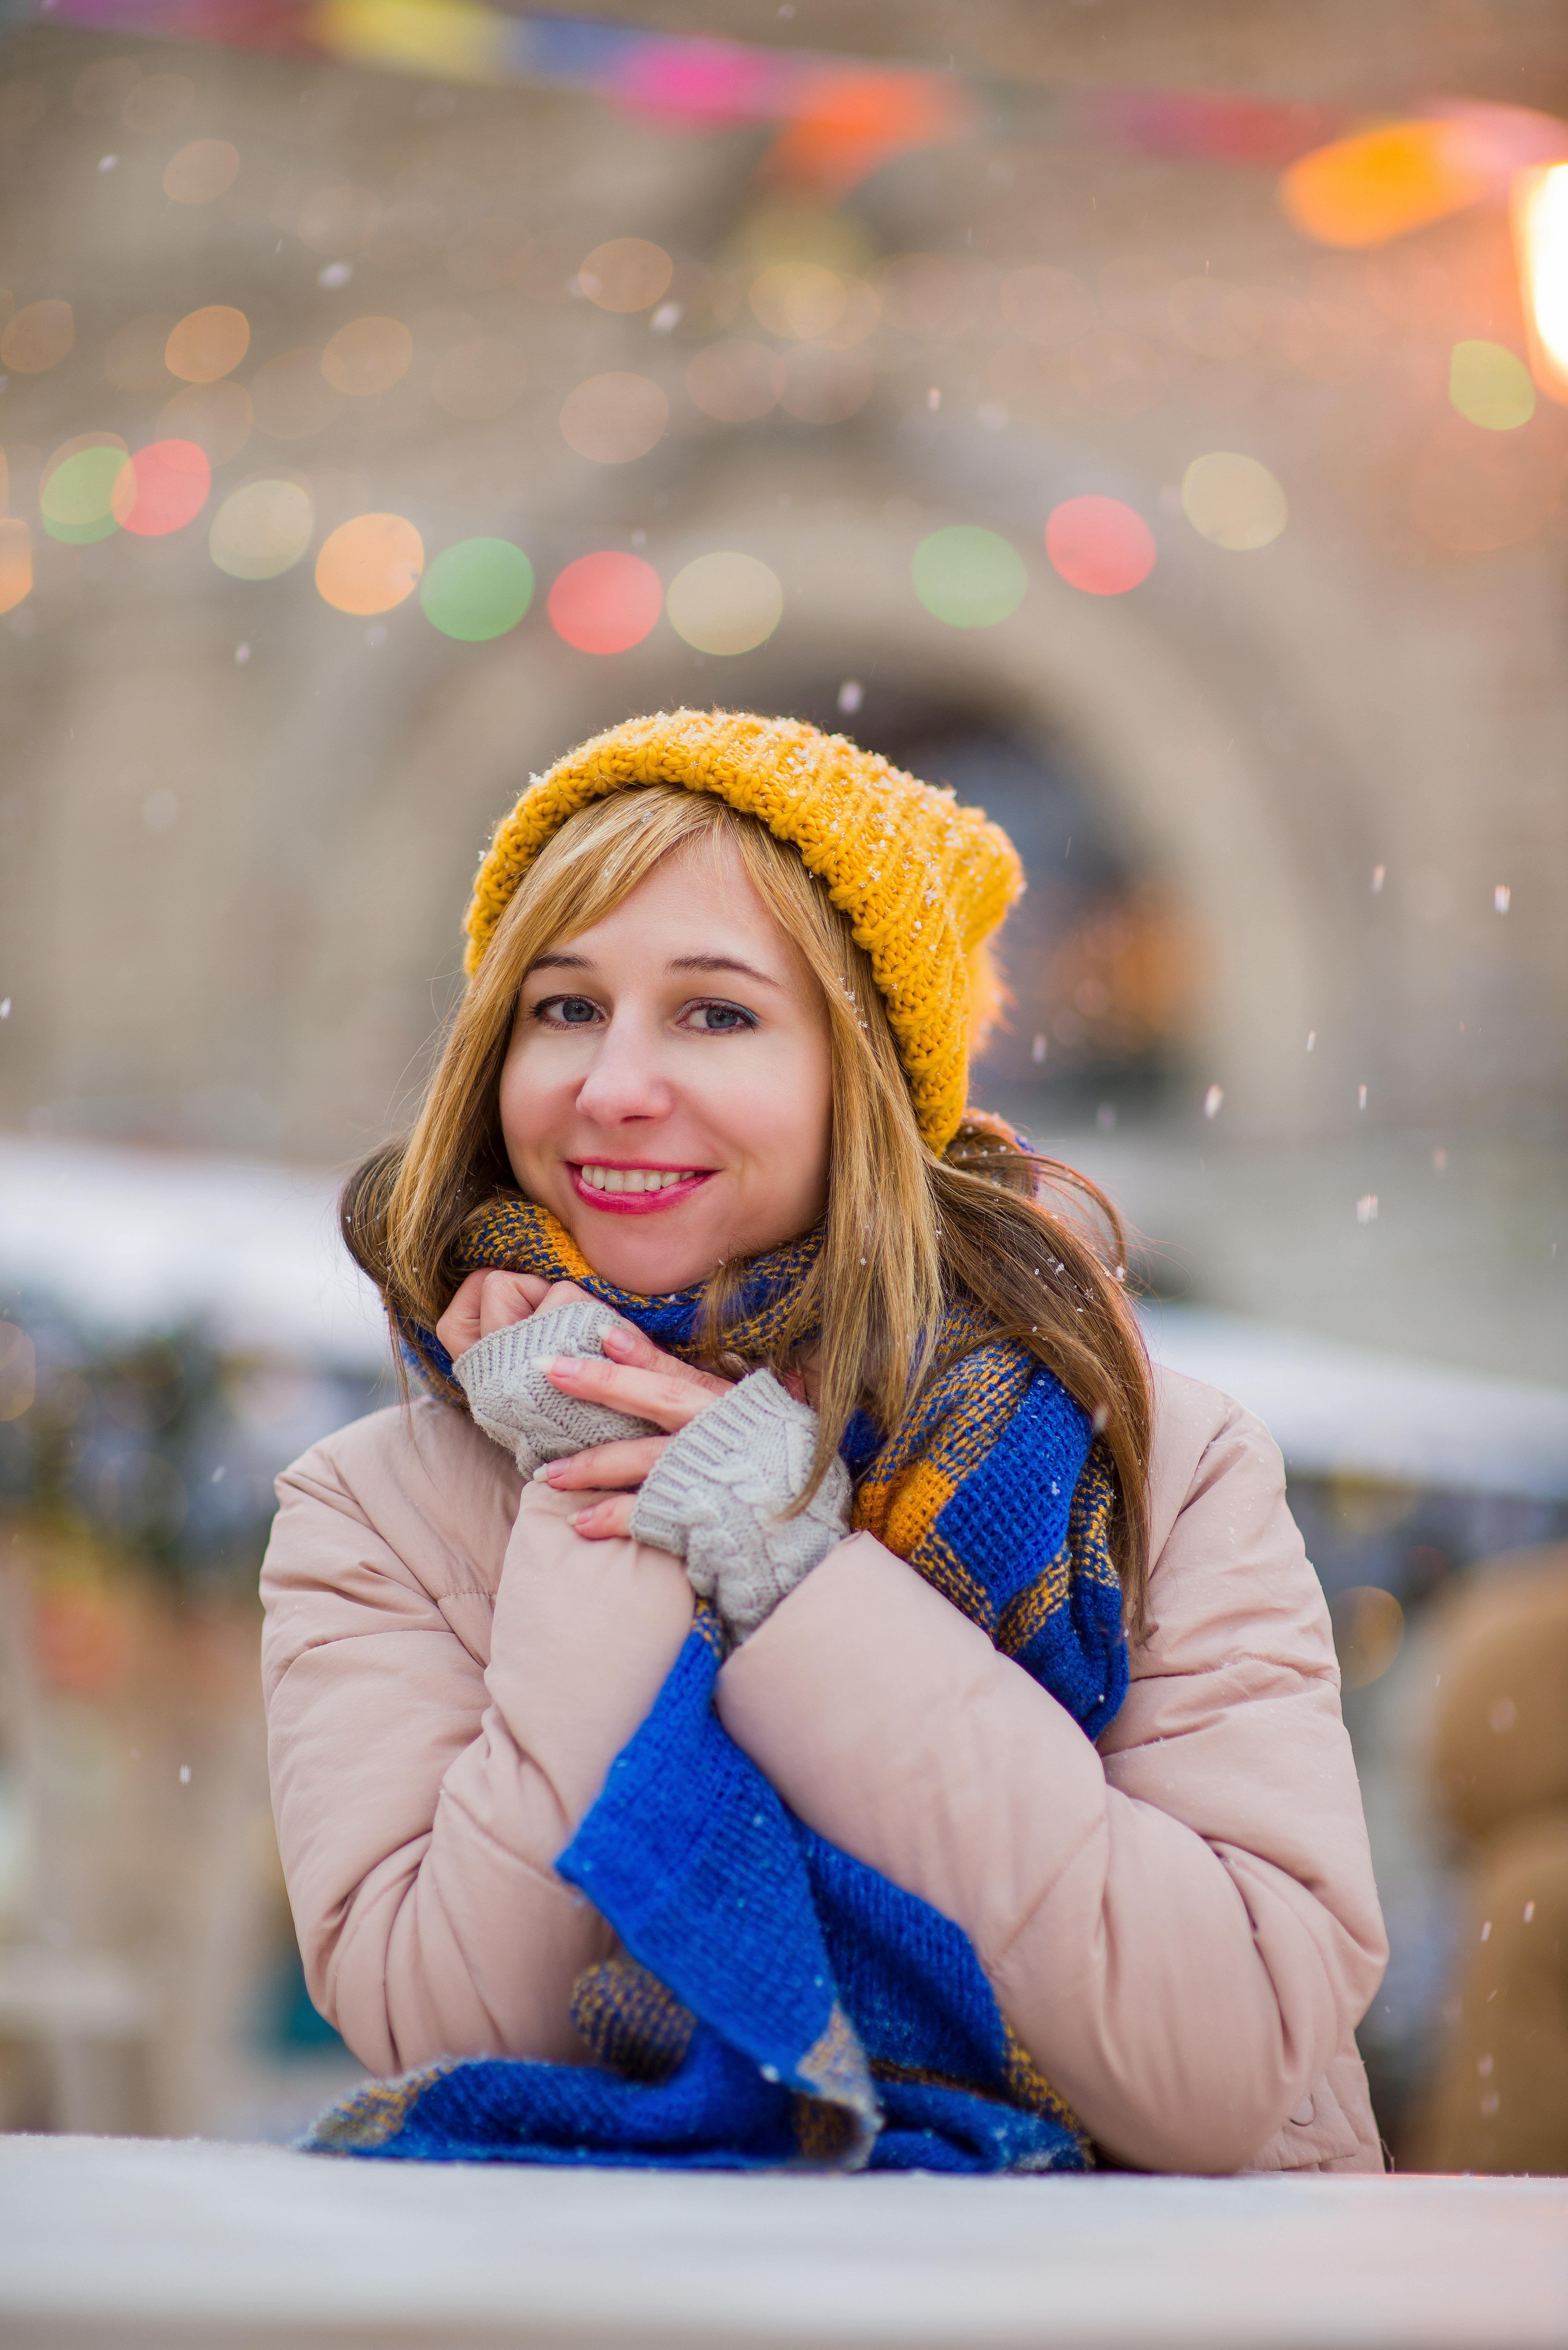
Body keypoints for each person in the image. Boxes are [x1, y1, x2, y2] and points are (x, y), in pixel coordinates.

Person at [261, 708, 1387, 2173]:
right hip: (606, 2284)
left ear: (865, 1077)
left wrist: (790, 1572)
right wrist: (593, 1485)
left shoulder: (1150, 1465)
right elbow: (464, 2028)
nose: (613, 1085)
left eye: (715, 1014)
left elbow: (1218, 2056)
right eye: (566, 1007)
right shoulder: (374, 1511)